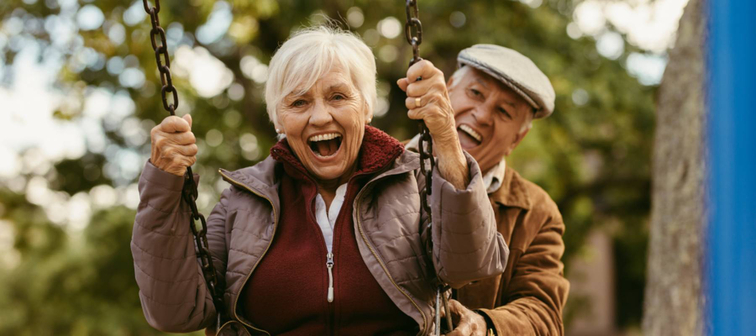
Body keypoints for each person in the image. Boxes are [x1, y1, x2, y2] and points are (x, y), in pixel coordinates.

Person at [131, 27, 509, 335]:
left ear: (366, 107)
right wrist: (163, 183)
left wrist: (445, 138)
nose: (320, 117)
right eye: (298, 103)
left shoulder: (414, 181)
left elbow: (470, 266)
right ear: (278, 119)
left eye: (338, 96)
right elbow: (175, 314)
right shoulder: (240, 203)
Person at [398, 44, 569, 335]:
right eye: (476, 93)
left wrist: (485, 325)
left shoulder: (536, 212)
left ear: (518, 137)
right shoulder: (376, 169)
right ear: (448, 88)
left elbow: (544, 314)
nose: (482, 115)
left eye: (504, 111)